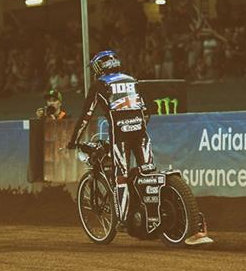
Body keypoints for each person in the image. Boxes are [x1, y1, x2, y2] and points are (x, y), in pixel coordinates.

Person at [67, 49, 212, 245]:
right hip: (141, 133)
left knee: (122, 176)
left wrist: (73, 140)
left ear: (99, 68)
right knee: (147, 172)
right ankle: (153, 210)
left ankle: (124, 219)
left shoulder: (100, 85)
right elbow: (145, 110)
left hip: (121, 137)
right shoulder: (131, 80)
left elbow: (86, 115)